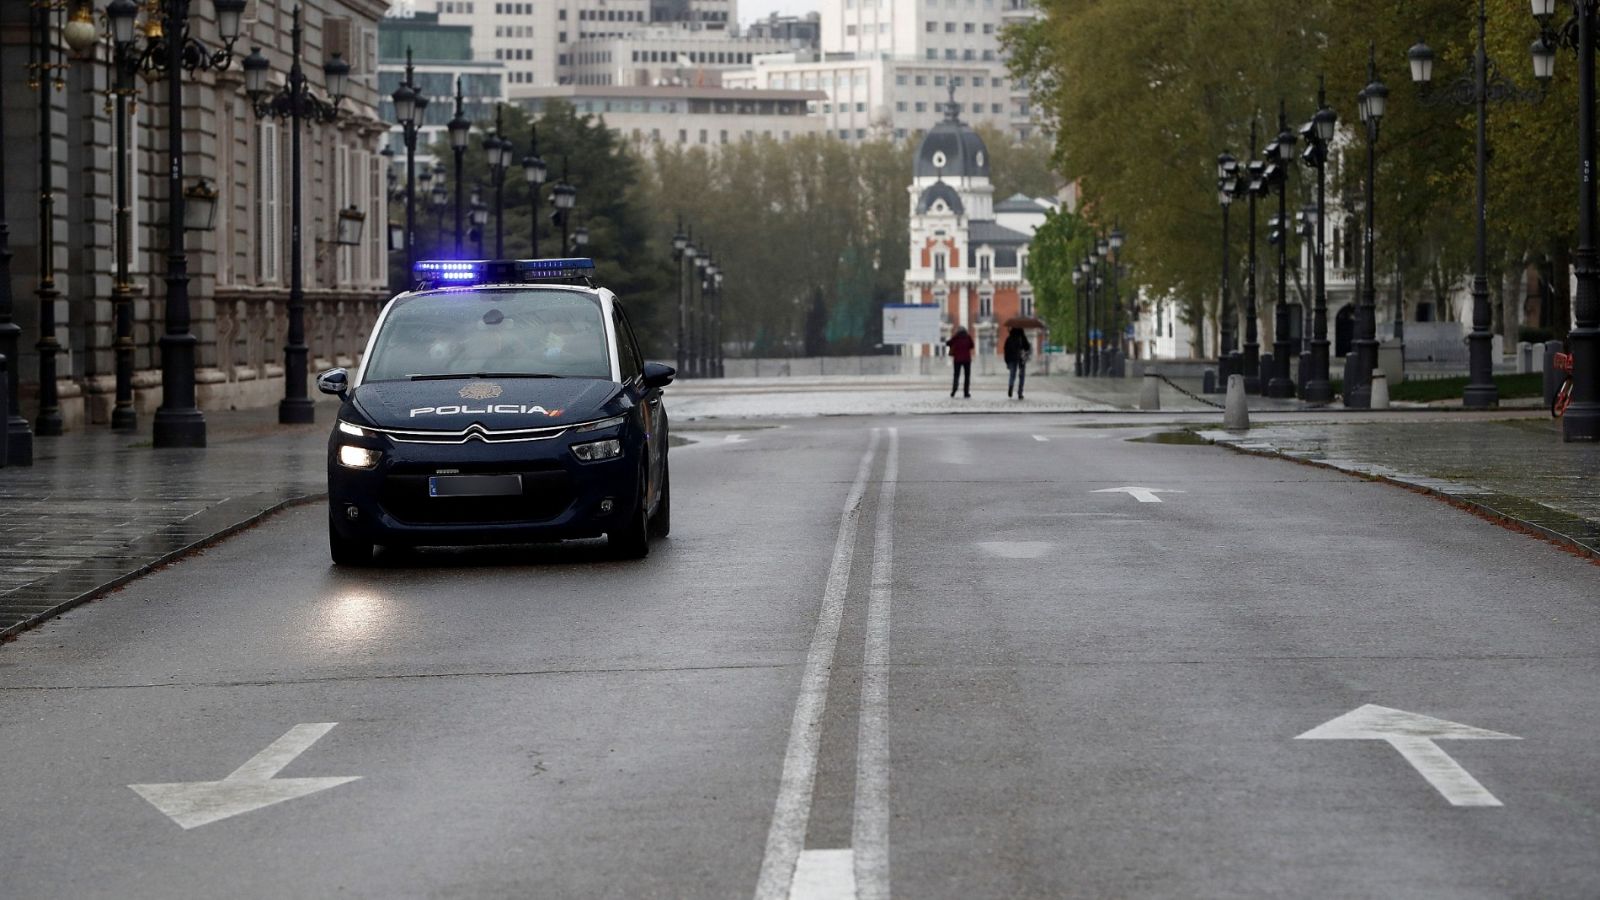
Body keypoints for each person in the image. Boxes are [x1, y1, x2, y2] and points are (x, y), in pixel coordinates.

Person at [946, 327, 974, 398]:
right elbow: (972, 345)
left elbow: (948, 343)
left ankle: (954, 391)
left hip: (957, 360)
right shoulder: (968, 337)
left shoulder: (956, 337)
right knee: (967, 376)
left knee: (956, 376)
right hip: (967, 360)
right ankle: (966, 392)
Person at [1004, 326, 1031, 399]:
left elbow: (1006, 350)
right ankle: (1020, 392)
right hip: (1021, 358)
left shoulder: (1009, 338)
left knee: (1012, 375)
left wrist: (1007, 361)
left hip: (1012, 359)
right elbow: (1027, 347)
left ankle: (1011, 386)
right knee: (1021, 376)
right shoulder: (1022, 337)